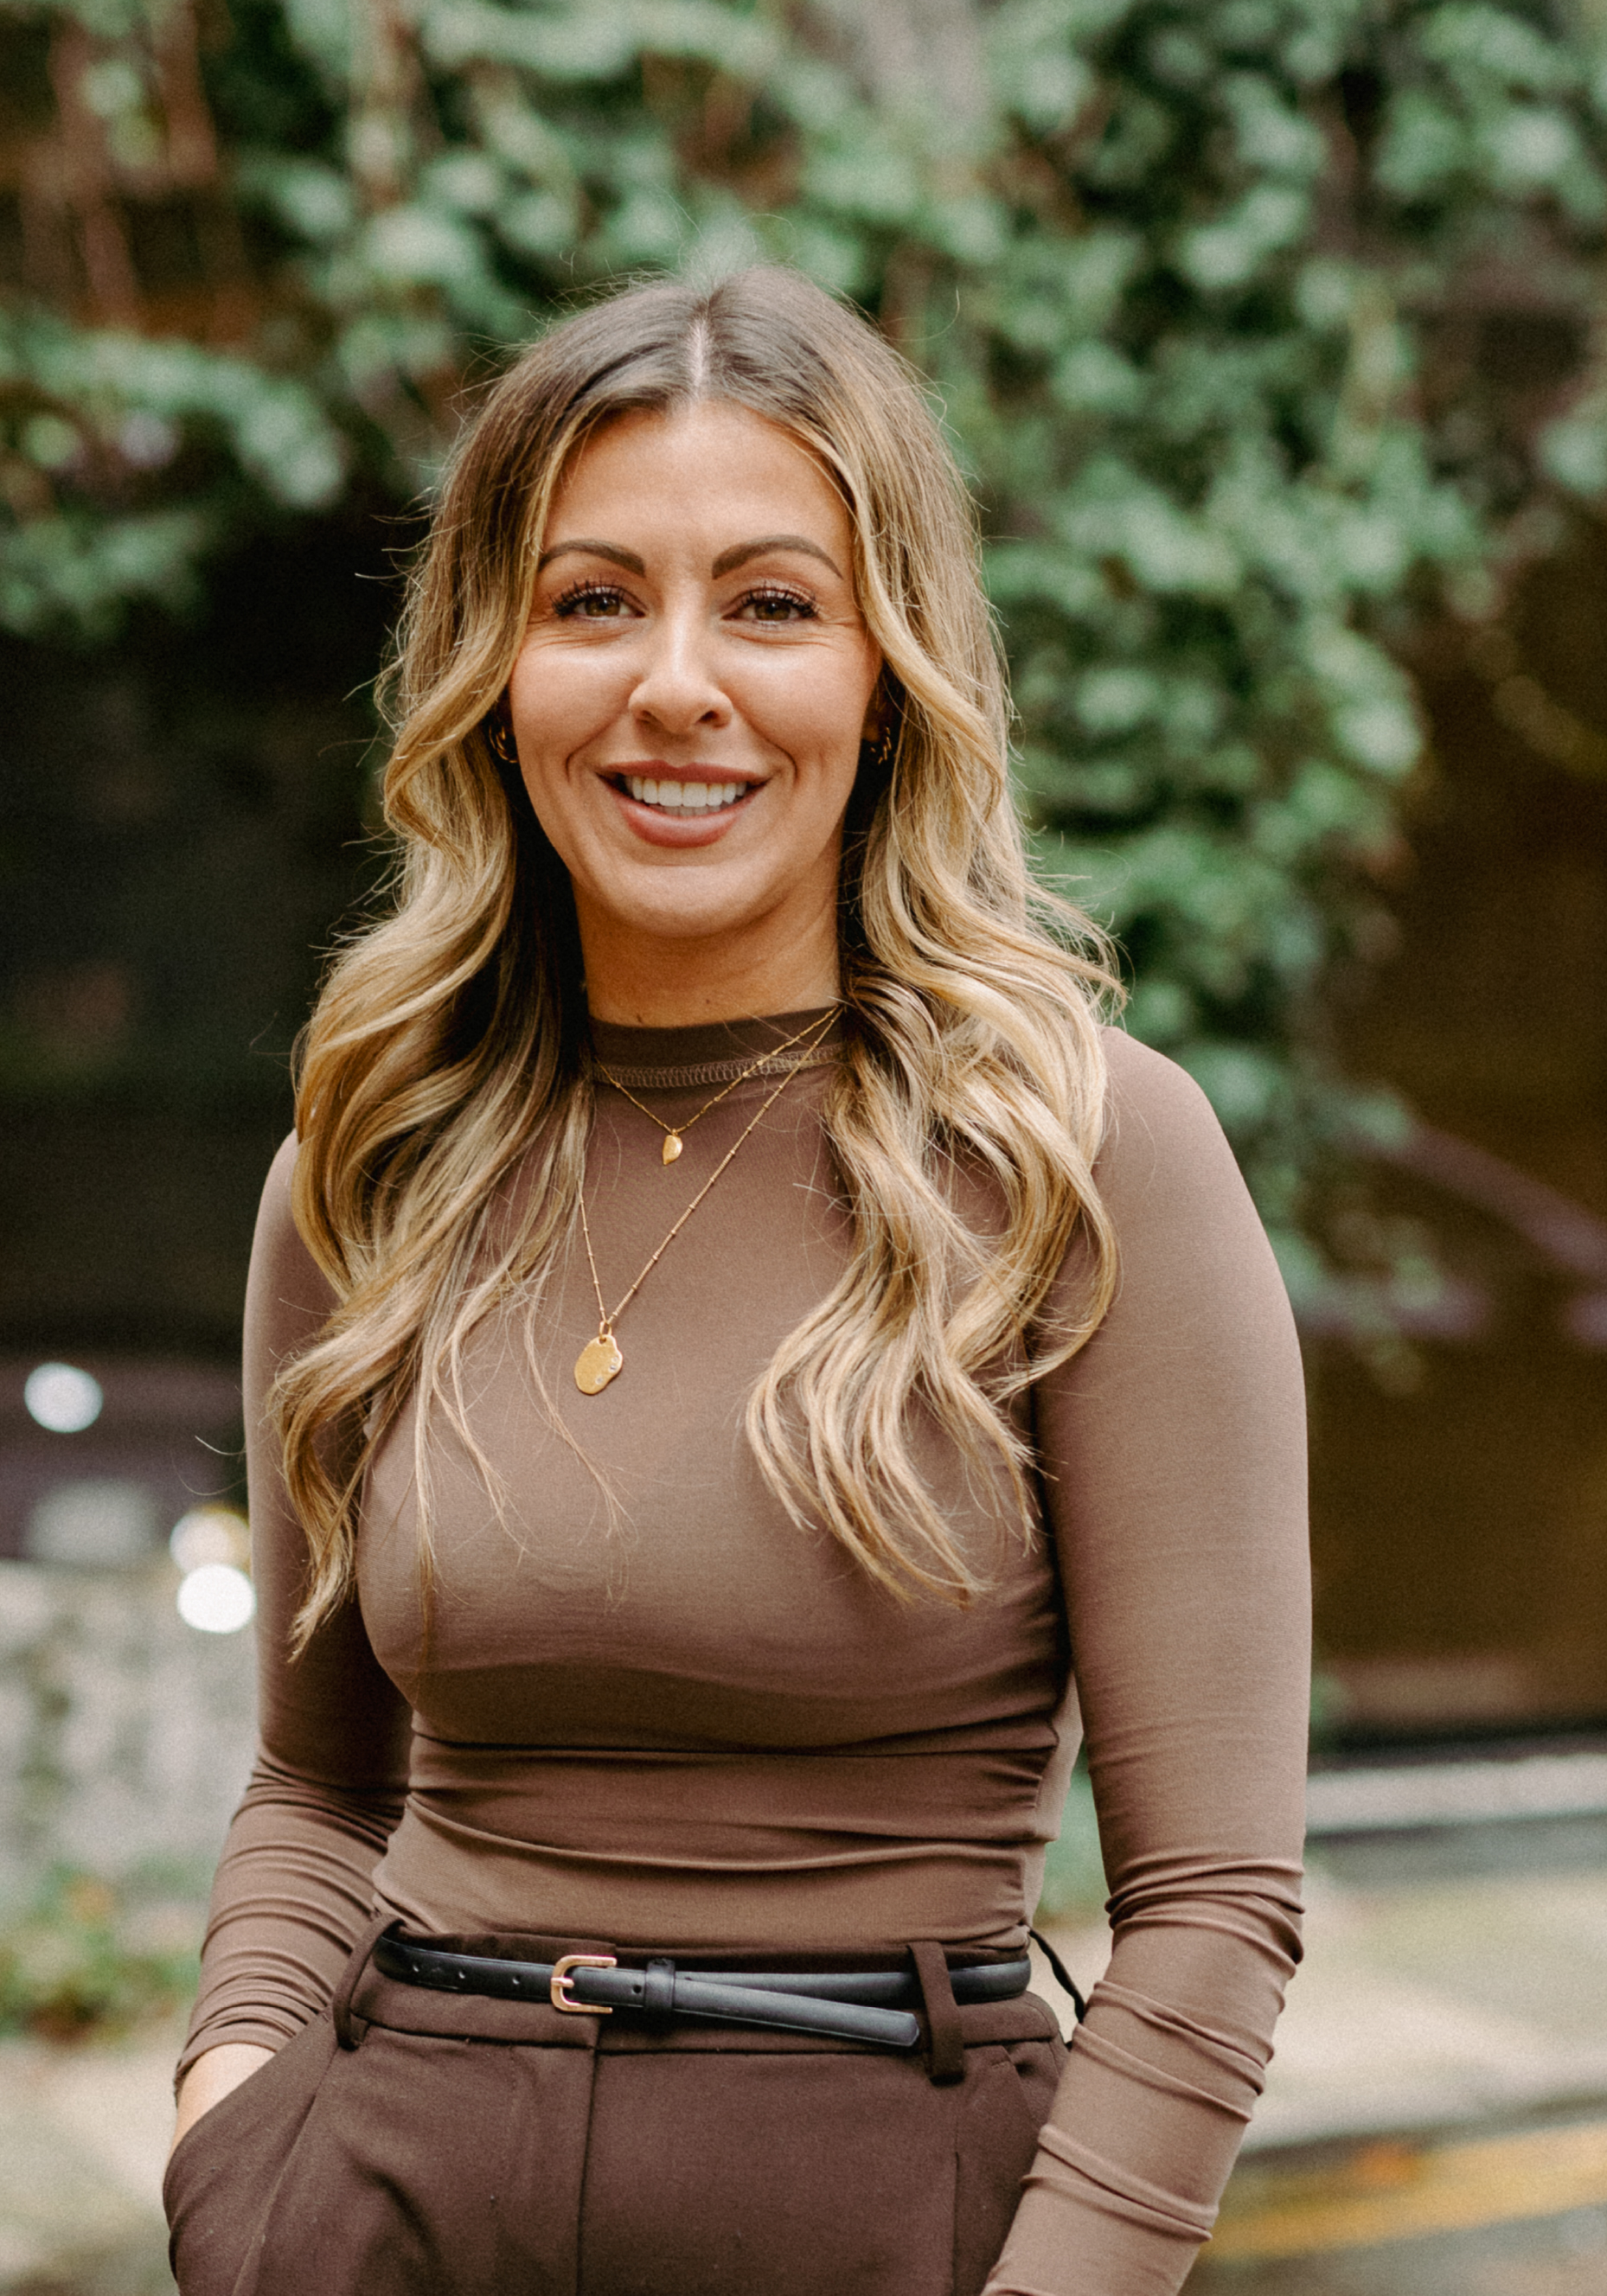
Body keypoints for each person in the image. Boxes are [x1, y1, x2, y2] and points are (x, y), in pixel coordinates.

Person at [163, 265, 1309, 2296]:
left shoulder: (1080, 1155)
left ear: (889, 674)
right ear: (492, 669)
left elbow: (1212, 1906)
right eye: (594, 599)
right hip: (387, 2212)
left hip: (887, 2205)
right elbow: (315, 1781)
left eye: (771, 604)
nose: (674, 683)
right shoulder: (375, 1166)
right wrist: (234, 2144)